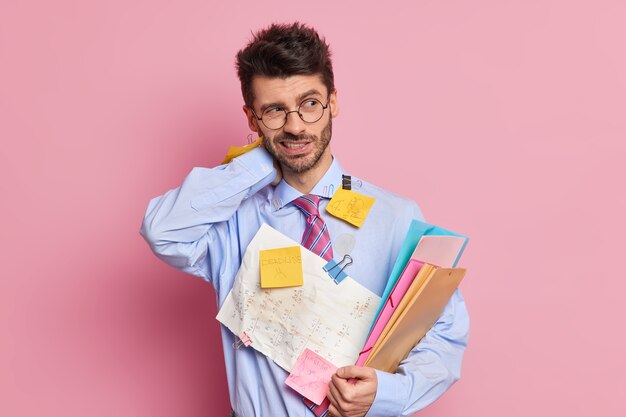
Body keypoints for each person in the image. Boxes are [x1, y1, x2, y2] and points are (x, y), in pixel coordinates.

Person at [140, 22, 469, 417]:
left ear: (334, 102)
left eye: (309, 103)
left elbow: (444, 334)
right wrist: (259, 161)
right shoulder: (230, 224)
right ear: (251, 117)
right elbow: (162, 231)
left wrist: (387, 394)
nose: (295, 126)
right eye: (274, 111)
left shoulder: (396, 217)